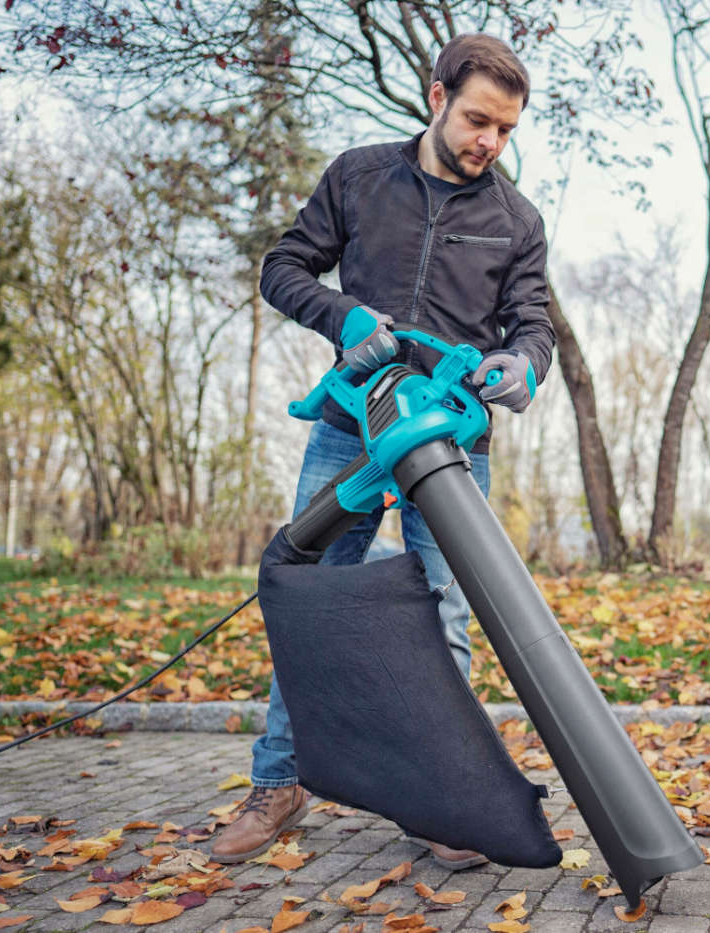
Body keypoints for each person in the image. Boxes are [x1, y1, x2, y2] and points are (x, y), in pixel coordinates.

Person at [209, 33, 555, 869]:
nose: (490, 142)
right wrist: (344, 317)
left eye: (506, 130)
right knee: (310, 601)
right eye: (477, 120)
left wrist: (524, 364)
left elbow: (533, 323)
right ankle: (279, 784)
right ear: (437, 98)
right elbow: (283, 268)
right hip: (349, 427)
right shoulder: (358, 176)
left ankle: (441, 803)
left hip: (451, 446)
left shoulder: (516, 220)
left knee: (445, 616)